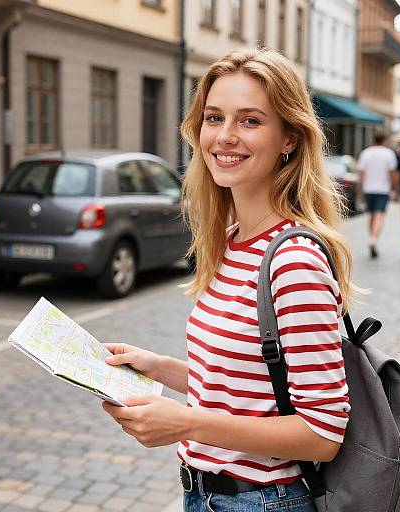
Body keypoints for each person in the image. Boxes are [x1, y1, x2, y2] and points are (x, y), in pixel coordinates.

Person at [102, 48, 353, 512]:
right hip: (206, 495)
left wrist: (187, 424)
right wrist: (158, 366)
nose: (225, 137)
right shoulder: (233, 239)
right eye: (214, 117)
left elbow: (322, 434)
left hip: (263, 502)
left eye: (251, 121)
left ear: (290, 138)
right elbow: (246, 387)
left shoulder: (293, 260)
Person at [356, 133, 397, 258]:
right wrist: (394, 188)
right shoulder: (389, 154)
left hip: (369, 189)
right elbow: (392, 173)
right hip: (383, 189)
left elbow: (361, 173)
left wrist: (360, 190)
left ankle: (371, 237)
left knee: (372, 215)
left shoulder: (366, 153)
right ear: (384, 140)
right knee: (379, 216)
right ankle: (373, 239)